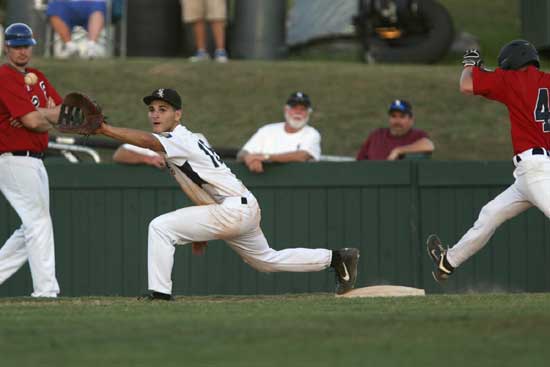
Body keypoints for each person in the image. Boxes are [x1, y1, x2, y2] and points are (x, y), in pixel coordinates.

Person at [95, 88, 359, 300]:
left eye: (163, 109)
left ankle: (160, 294)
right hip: (240, 206)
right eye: (152, 109)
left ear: (178, 115)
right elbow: (196, 185)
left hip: (232, 209)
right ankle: (338, 258)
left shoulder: (179, 139)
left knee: (160, 227)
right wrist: (201, 230)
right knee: (266, 260)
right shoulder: (179, 140)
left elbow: (147, 142)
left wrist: (105, 130)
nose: (155, 114)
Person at [427, 41, 550, 282]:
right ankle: (448, 261)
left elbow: (466, 85)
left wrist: (470, 64)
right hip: (531, 171)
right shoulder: (546, 80)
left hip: (536, 169)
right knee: (490, 213)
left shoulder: (511, 78)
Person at [0, 23, 63, 297]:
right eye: (16, 45)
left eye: (25, 45)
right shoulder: (4, 76)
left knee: (32, 228)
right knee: (38, 223)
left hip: (36, 159)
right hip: (12, 157)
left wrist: (42, 115)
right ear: (6, 47)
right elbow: (33, 121)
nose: (22, 50)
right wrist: (43, 114)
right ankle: (46, 291)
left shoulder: (37, 76)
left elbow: (63, 114)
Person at [237, 92, 321, 173]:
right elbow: (242, 153)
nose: (298, 112)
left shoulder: (312, 133)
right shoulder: (267, 130)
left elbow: (302, 156)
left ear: (308, 113)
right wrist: (250, 159)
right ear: (286, 110)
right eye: (294, 108)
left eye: (303, 109)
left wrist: (265, 157)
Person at [356, 100, 435, 160]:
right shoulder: (376, 135)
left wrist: (398, 150)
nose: (397, 121)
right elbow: (359, 161)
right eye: (393, 116)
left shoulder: (417, 135)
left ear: (411, 120)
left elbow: (429, 145)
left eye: (402, 116)